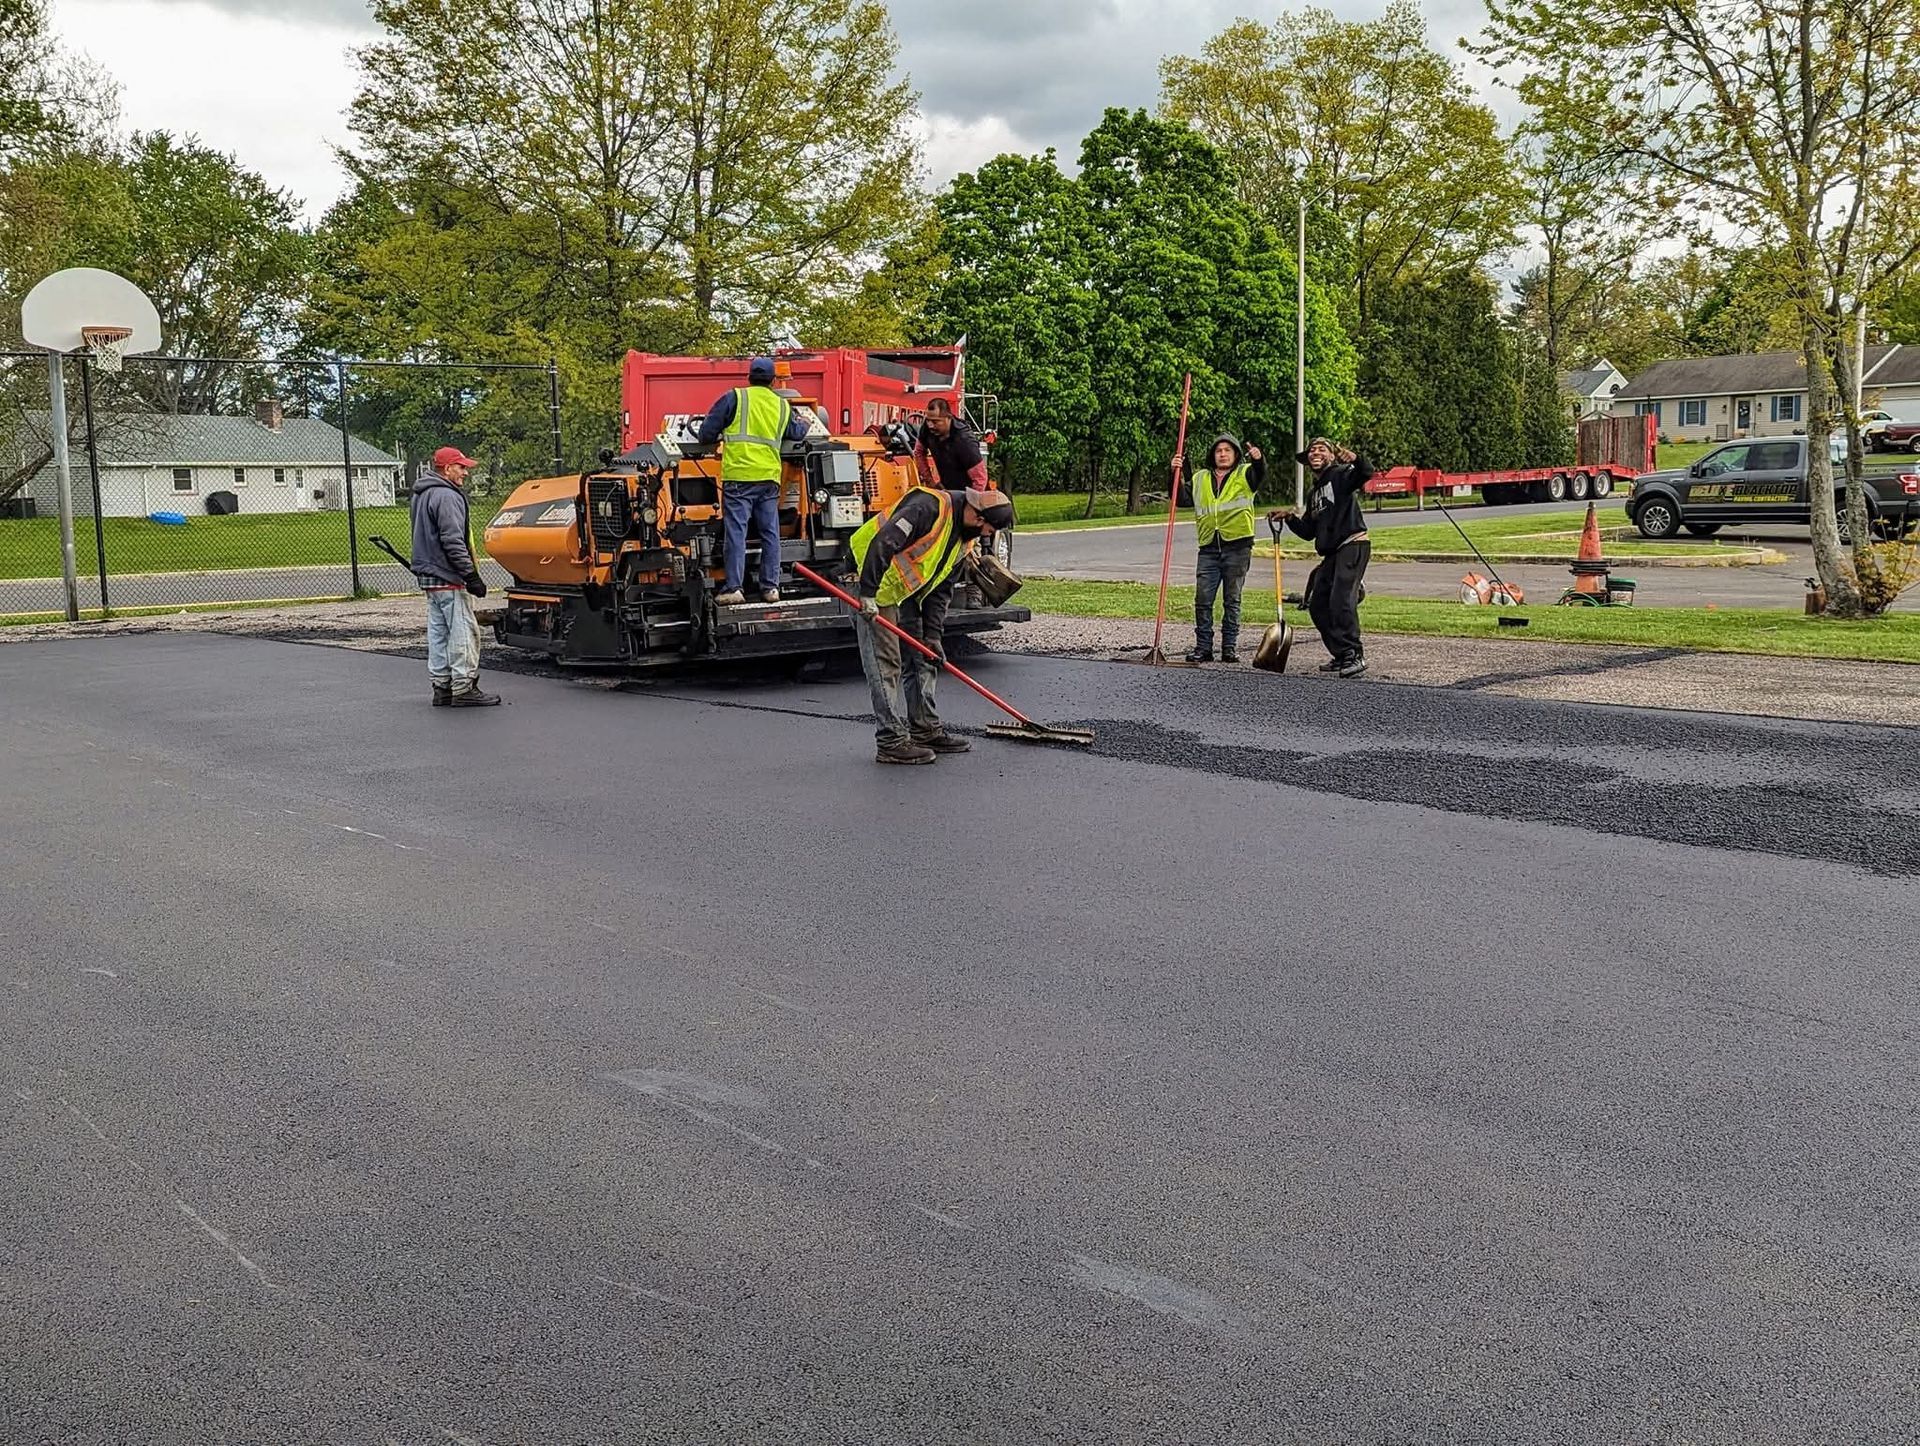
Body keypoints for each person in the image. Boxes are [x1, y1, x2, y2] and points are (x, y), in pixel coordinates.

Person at [848, 484, 1016, 765]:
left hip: (905, 591)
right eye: (989, 531)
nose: (987, 538)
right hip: (870, 583)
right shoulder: (928, 508)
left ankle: (924, 728)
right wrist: (866, 593)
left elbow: (941, 589)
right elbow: (883, 542)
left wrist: (933, 636)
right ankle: (891, 741)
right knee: (885, 662)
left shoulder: (965, 539)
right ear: (978, 518)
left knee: (924, 657)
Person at [696, 356, 811, 604]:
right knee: (771, 533)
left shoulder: (735, 398)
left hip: (739, 477)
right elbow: (797, 431)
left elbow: (706, 433)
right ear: (772, 381)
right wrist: (807, 421)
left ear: (749, 377)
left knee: (736, 532)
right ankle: (770, 587)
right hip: (769, 478)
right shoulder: (781, 405)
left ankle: (734, 588)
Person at [1275, 436, 1374, 678]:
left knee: (1340, 600)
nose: (1315, 453)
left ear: (1331, 456)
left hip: (1352, 545)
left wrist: (1356, 459)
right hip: (1331, 553)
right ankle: (1341, 654)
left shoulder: (1341, 474)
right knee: (1318, 605)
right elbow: (1309, 532)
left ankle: (1354, 654)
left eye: (1322, 449)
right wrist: (1289, 518)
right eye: (1311, 450)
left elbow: (1366, 472)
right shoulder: (1315, 493)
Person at [409, 445, 500, 707]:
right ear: (447, 468)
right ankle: (464, 687)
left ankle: (442, 686)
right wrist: (470, 575)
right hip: (447, 575)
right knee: (463, 631)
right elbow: (453, 540)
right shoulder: (447, 496)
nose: (465, 473)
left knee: (438, 633)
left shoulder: (421, 494)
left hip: (429, 576)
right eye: (461, 467)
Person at [1175, 434, 1264, 662]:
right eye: (1218, 451)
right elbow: (1181, 499)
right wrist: (1174, 473)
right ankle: (1203, 647)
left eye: (1227, 450)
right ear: (1212, 455)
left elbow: (1260, 475)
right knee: (1203, 599)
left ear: (1235, 454)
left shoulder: (1244, 474)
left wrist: (1258, 460)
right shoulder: (1200, 478)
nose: (1223, 454)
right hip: (1208, 548)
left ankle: (1229, 648)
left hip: (1238, 547)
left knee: (1231, 599)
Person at [915, 398, 990, 492]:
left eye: (935, 421)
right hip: (947, 489)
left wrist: (972, 504)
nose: (930, 425)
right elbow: (918, 452)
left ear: (948, 418)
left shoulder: (964, 440)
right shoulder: (927, 428)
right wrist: (929, 481)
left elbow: (980, 479)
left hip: (970, 492)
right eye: (928, 420)